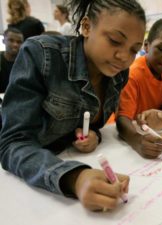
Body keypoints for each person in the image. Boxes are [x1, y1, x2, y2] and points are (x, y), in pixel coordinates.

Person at [0, 0, 146, 212]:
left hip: (64, 157)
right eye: (115, 41)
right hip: (21, 184)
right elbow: (12, 143)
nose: (124, 58)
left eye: (134, 50)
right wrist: (75, 177)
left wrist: (94, 134)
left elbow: (89, 121)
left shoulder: (118, 73)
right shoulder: (41, 55)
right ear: (86, 27)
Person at [116, 18, 162, 159]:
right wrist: (137, 142)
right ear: (146, 46)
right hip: (128, 137)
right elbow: (122, 120)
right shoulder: (132, 75)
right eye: (161, 48)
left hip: (154, 133)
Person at [0, 28, 24, 93]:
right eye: (11, 40)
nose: (15, 45)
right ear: (3, 41)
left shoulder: (26, 63)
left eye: (19, 42)